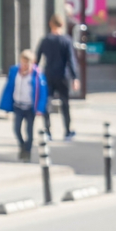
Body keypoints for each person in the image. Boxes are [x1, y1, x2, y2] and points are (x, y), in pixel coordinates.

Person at [35, 13, 80, 141]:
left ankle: (48, 131)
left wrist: (35, 74)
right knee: (65, 103)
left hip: (48, 74)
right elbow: (71, 60)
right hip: (63, 75)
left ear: (50, 24)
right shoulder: (66, 40)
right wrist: (75, 77)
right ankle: (67, 131)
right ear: (62, 25)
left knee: (47, 102)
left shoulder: (45, 40)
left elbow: (37, 58)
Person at [0, 49, 47, 160]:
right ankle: (22, 145)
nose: (24, 65)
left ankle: (27, 152)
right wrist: (7, 105)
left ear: (32, 62)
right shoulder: (15, 71)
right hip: (18, 106)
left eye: (27, 63)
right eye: (23, 62)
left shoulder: (37, 75)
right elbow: (9, 88)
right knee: (16, 129)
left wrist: (40, 108)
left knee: (29, 131)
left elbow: (42, 93)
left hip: (30, 107)